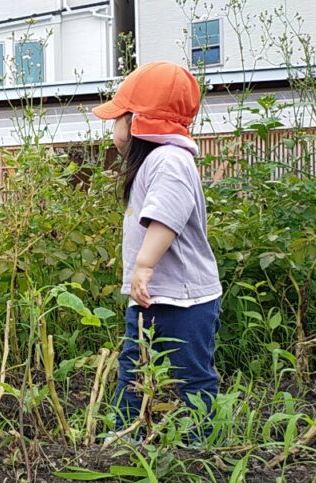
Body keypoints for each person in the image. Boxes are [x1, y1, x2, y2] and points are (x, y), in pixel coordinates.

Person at [91, 61, 222, 441]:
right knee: (132, 372)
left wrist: (144, 265)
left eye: (118, 118)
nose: (114, 129)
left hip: (186, 301)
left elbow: (166, 218)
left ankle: (198, 446)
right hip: (150, 297)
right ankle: (124, 439)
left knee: (191, 376)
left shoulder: (170, 161)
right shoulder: (155, 161)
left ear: (137, 122)